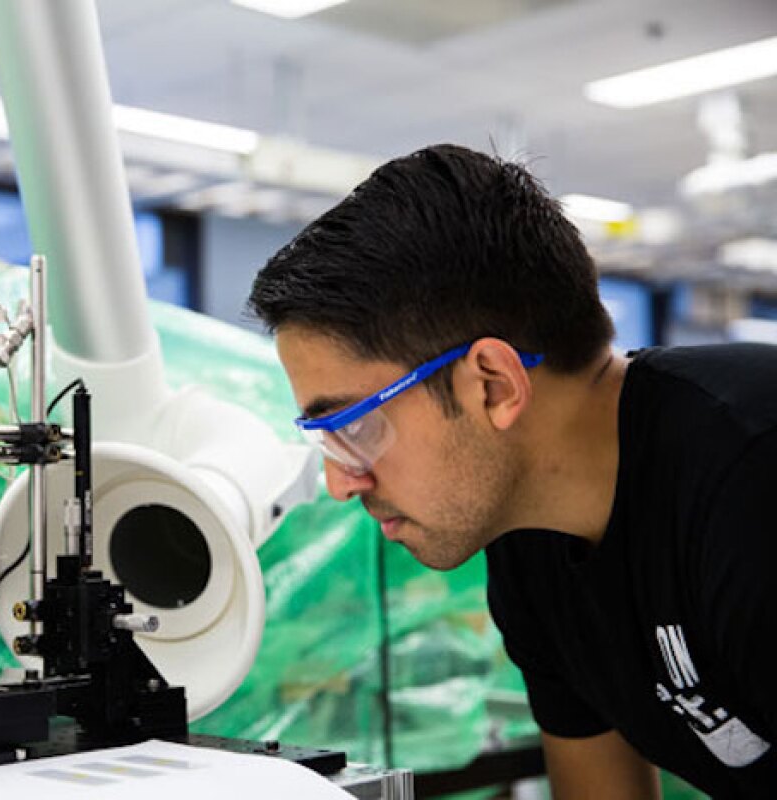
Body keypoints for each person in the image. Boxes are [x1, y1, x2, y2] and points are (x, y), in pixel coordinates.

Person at [247, 143, 777, 798]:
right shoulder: (531, 539)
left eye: (352, 427)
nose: (340, 481)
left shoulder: (752, 481)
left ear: (494, 385)